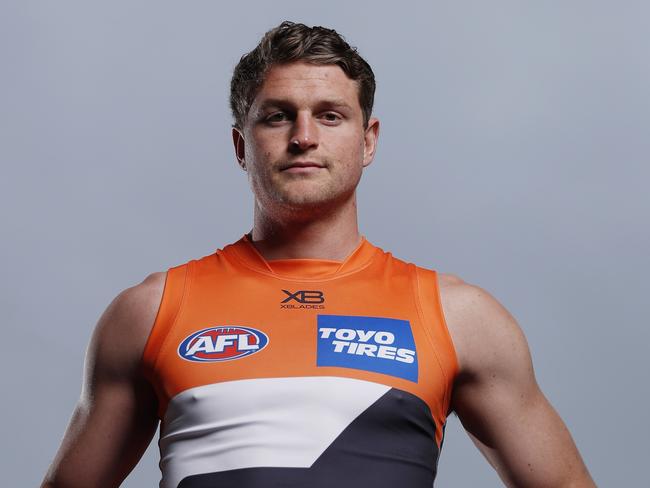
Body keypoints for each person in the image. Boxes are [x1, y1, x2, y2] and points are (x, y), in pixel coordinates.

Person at [42, 21, 595, 488]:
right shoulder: (149, 311)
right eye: (278, 115)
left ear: (368, 140)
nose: (303, 137)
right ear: (241, 144)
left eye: (330, 115)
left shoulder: (460, 317)